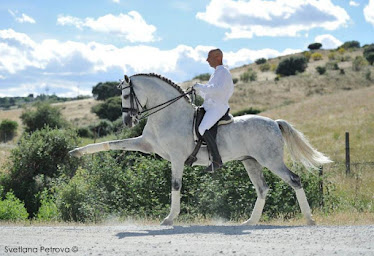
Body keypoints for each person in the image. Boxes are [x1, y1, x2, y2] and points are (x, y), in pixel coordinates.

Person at [193, 48, 234, 172]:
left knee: (202, 128)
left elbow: (217, 89)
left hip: (218, 107)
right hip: (211, 106)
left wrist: (201, 86)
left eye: (209, 57)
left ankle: (216, 160)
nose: (206, 60)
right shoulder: (217, 72)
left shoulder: (224, 72)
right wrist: (199, 91)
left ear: (218, 58)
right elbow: (209, 94)